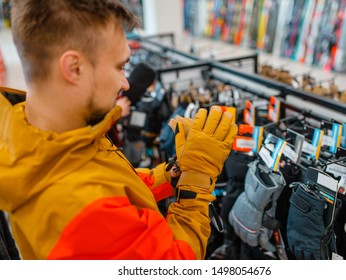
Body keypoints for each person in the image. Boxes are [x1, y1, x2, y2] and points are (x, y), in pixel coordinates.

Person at [0, 0, 237, 260]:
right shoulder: (82, 209)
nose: (125, 82)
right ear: (74, 68)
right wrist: (196, 181)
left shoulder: (47, 134)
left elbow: (112, 183)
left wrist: (169, 176)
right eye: (119, 66)